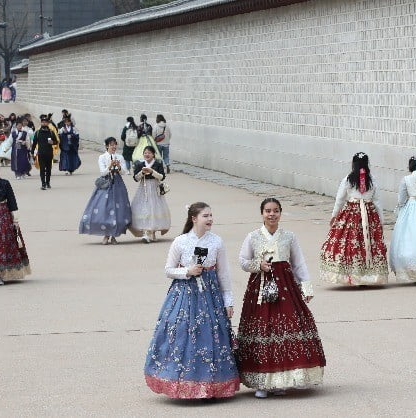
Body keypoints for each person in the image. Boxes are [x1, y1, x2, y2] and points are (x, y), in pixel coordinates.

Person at [144, 202, 239, 399]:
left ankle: (211, 384)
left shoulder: (217, 242)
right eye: (206, 215)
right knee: (181, 334)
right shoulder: (180, 241)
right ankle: (182, 382)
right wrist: (187, 271)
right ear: (194, 218)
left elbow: (224, 275)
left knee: (211, 336)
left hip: (210, 296)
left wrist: (228, 301)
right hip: (184, 294)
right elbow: (168, 270)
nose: (210, 219)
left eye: (211, 215)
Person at [237, 197, 325, 398]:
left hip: (285, 286)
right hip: (259, 287)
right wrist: (257, 265)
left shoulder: (289, 237)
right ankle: (262, 382)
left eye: (275, 210)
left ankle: (281, 380)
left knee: (286, 326)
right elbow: (242, 261)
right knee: (262, 329)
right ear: (262, 214)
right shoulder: (252, 237)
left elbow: (298, 262)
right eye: (268, 211)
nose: (272, 214)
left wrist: (306, 286)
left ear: (280, 213)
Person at [319, 152, 389, 285]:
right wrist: (381, 219)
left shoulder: (348, 179)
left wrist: (334, 215)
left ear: (354, 163)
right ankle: (369, 276)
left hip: (351, 212)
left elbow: (340, 199)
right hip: (369, 214)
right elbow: (377, 200)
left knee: (350, 241)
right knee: (368, 242)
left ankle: (352, 275)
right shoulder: (371, 179)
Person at [79, 137, 132, 245]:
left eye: (115, 144)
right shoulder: (102, 157)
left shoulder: (119, 157)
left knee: (118, 209)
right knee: (104, 208)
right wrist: (110, 166)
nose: (113, 146)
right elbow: (102, 172)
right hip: (106, 184)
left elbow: (125, 171)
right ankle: (106, 234)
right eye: (111, 144)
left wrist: (119, 167)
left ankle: (113, 235)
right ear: (107, 146)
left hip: (117, 184)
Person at [129, 146, 170, 243]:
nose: (147, 155)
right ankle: (146, 232)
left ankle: (152, 232)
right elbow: (136, 178)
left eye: (149, 153)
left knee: (154, 208)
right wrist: (142, 172)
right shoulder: (140, 164)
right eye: (145, 153)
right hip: (143, 189)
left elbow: (161, 177)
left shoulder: (158, 163)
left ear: (153, 154)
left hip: (154, 188)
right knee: (144, 209)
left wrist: (152, 171)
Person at [31, 115, 59, 190]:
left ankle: (48, 183)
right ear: (41, 123)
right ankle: (43, 183)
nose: (44, 123)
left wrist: (52, 142)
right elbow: (34, 143)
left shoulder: (51, 132)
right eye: (42, 122)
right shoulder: (37, 133)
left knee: (49, 169)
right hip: (41, 153)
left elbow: (56, 142)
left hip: (49, 153)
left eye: (45, 122)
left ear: (47, 123)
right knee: (42, 169)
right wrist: (32, 152)